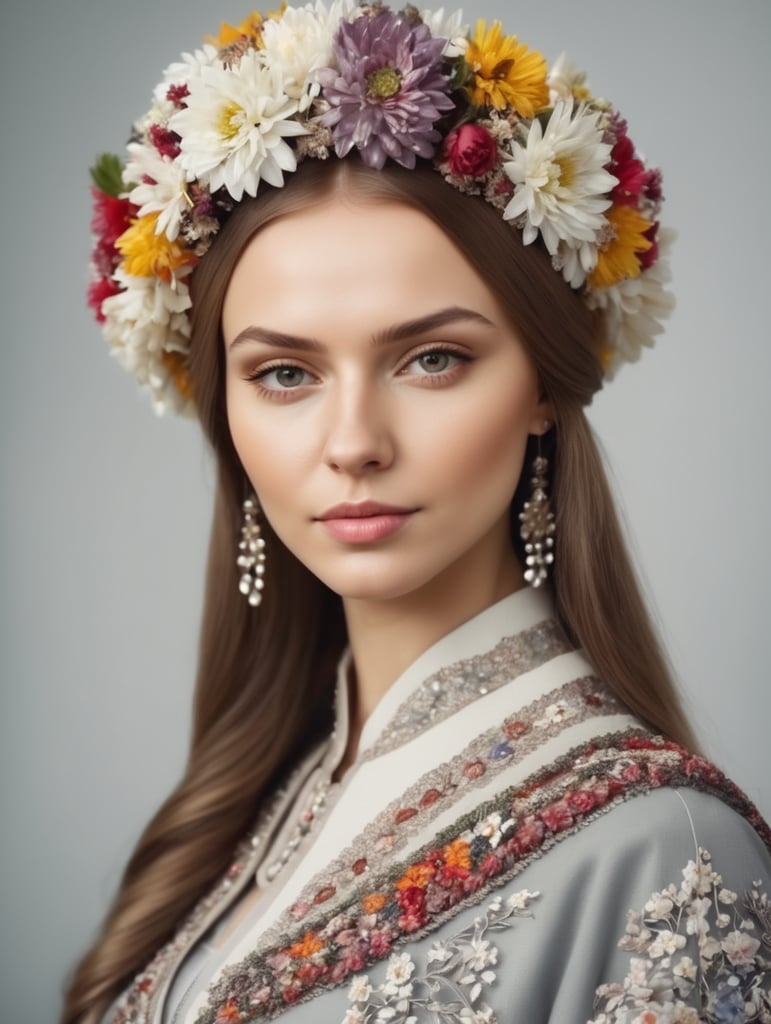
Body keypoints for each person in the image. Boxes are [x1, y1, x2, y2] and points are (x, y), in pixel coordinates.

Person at [69, 4, 771, 1023]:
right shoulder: (251, 803)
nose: (353, 440)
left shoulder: (667, 847)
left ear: (542, 386)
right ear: (221, 405)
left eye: (431, 358)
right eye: (285, 372)